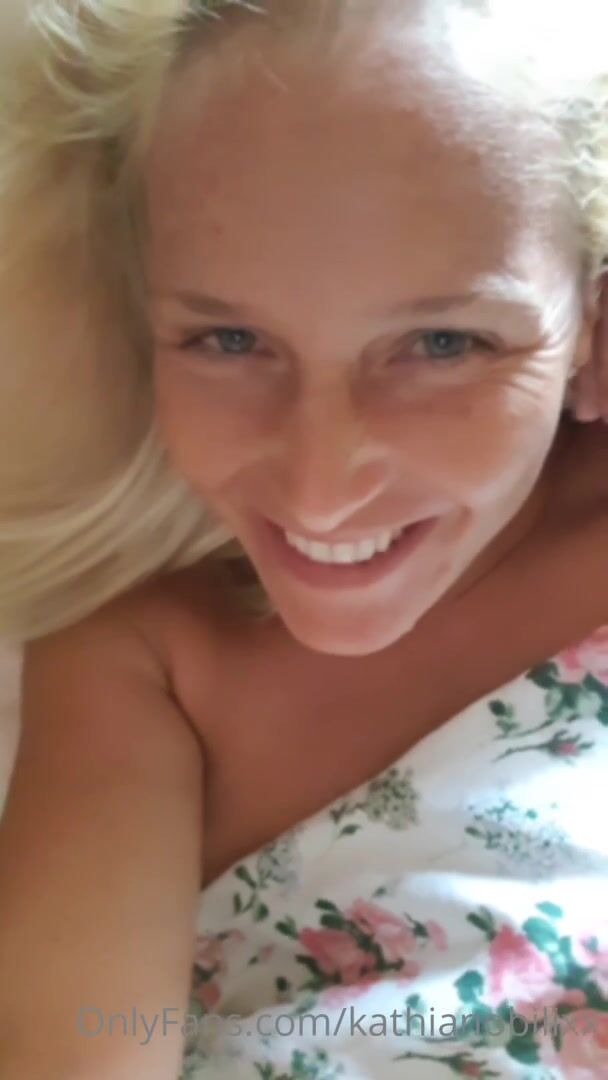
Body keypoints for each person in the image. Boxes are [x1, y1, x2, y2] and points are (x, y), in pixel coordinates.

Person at [0, 1, 608, 1076]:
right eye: (228, 339)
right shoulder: (139, 669)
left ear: (589, 333)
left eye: (443, 343)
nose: (320, 490)